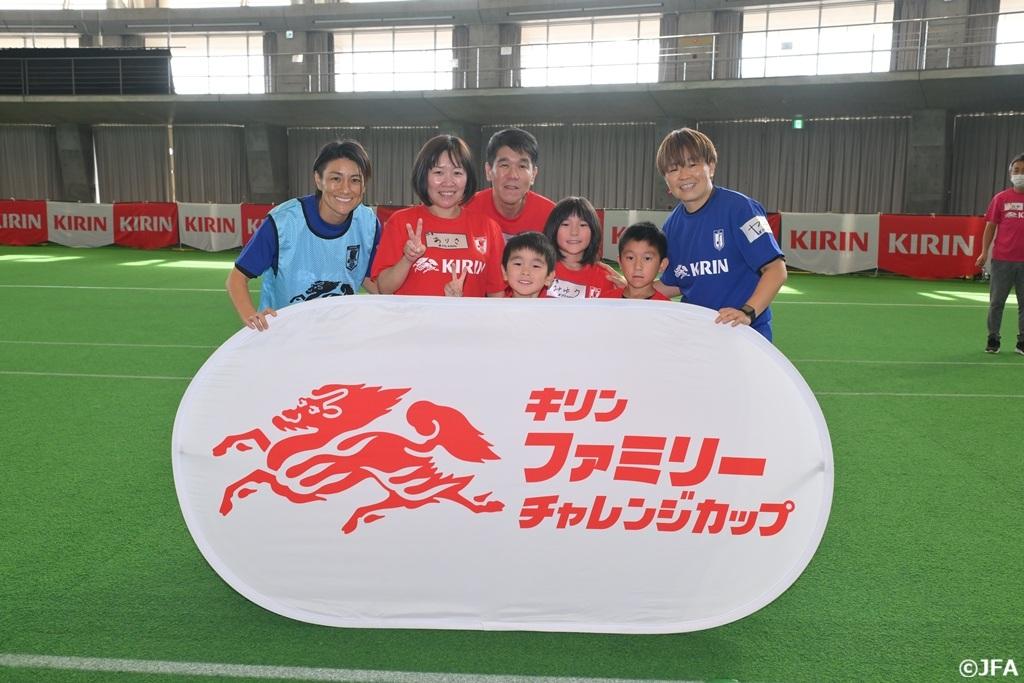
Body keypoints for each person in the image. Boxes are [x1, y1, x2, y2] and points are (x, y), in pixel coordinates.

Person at [227, 139, 381, 331]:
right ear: (318, 180)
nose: (345, 188)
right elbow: (237, 278)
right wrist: (251, 315)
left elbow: (368, 277)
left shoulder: (368, 223)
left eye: (355, 180)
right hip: (285, 333)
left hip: (338, 333)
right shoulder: (283, 222)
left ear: (364, 186)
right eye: (336, 178)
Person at [654, 127, 787, 341]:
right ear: (666, 179)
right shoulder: (671, 227)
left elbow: (776, 269)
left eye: (692, 164)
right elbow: (675, 283)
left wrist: (747, 312)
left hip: (745, 334)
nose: (684, 175)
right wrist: (627, 288)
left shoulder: (742, 209)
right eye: (673, 169)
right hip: (697, 337)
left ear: (711, 167)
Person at [371, 134, 505, 297]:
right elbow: (384, 288)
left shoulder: (488, 228)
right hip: (415, 315)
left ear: (468, 178)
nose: (448, 182)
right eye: (438, 172)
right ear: (424, 176)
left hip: (469, 315)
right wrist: (408, 259)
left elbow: (496, 293)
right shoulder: (401, 222)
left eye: (457, 173)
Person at [465, 128, 556, 240]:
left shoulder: (551, 216)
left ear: (533, 175)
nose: (513, 175)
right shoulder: (466, 209)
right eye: (504, 165)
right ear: (489, 171)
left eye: (522, 166)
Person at [977, 153, 1024, 354]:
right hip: (1002, 260)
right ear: (1010, 174)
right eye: (1016, 170)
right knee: (996, 302)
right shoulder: (1000, 198)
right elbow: (990, 227)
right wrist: (983, 253)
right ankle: (993, 338)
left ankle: (1022, 342)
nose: (1020, 174)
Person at [542, 196, 621, 299]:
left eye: (583, 225)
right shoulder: (538, 268)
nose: (574, 232)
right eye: (565, 224)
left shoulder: (605, 278)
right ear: (553, 229)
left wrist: (627, 291)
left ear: (593, 231)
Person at [600, 221, 670, 301]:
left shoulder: (666, 306)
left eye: (647, 258)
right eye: (630, 258)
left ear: (662, 264)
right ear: (620, 262)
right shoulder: (605, 301)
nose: (638, 266)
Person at [501, 231, 557, 298]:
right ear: (504, 272)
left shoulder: (557, 305)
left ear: (549, 277)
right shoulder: (495, 304)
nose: (525, 272)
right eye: (518, 264)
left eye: (535, 266)